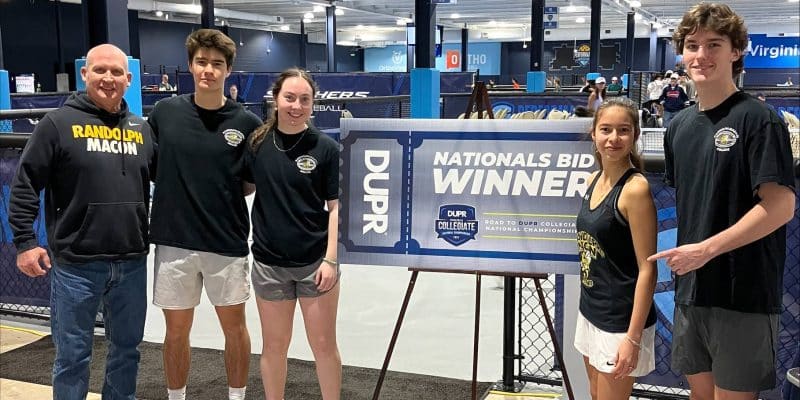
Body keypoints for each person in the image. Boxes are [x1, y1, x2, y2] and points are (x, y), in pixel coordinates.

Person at [648, 3, 795, 399]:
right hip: (692, 292)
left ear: (735, 51)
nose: (701, 56)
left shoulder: (758, 120)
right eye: (692, 45)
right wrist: (693, 259)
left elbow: (780, 206)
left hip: (742, 293)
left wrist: (707, 250)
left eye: (714, 44)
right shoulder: (678, 126)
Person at [8, 44, 156, 400]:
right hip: (76, 267)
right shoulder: (57, 124)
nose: (109, 79)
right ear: (85, 74)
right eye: (100, 70)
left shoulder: (141, 129)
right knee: (73, 357)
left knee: (127, 352)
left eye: (116, 72)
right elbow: (25, 184)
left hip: (132, 263)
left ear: (129, 78)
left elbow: (165, 183)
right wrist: (26, 243)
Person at [148, 29, 262, 400]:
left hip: (226, 244)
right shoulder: (165, 113)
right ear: (190, 66)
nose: (208, 70)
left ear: (228, 70)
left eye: (217, 64)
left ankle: (237, 396)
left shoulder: (245, 123)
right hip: (174, 243)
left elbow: (249, 183)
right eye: (201, 62)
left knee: (236, 330)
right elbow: (147, 168)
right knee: (176, 332)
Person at [246, 68, 341, 400]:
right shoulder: (257, 144)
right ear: (276, 99)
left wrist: (330, 259)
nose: (296, 105)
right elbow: (241, 187)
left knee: (324, 345)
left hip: (315, 264)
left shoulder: (326, 148)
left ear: (313, 104)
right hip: (269, 265)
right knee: (273, 346)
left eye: (305, 99)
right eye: (289, 97)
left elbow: (336, 208)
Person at [574, 97, 658, 399]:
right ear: (594, 133)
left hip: (620, 321)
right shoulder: (591, 180)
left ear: (635, 135)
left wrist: (632, 339)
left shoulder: (635, 189)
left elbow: (648, 268)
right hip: (591, 310)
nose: (614, 138)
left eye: (623, 130)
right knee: (596, 395)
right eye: (606, 129)